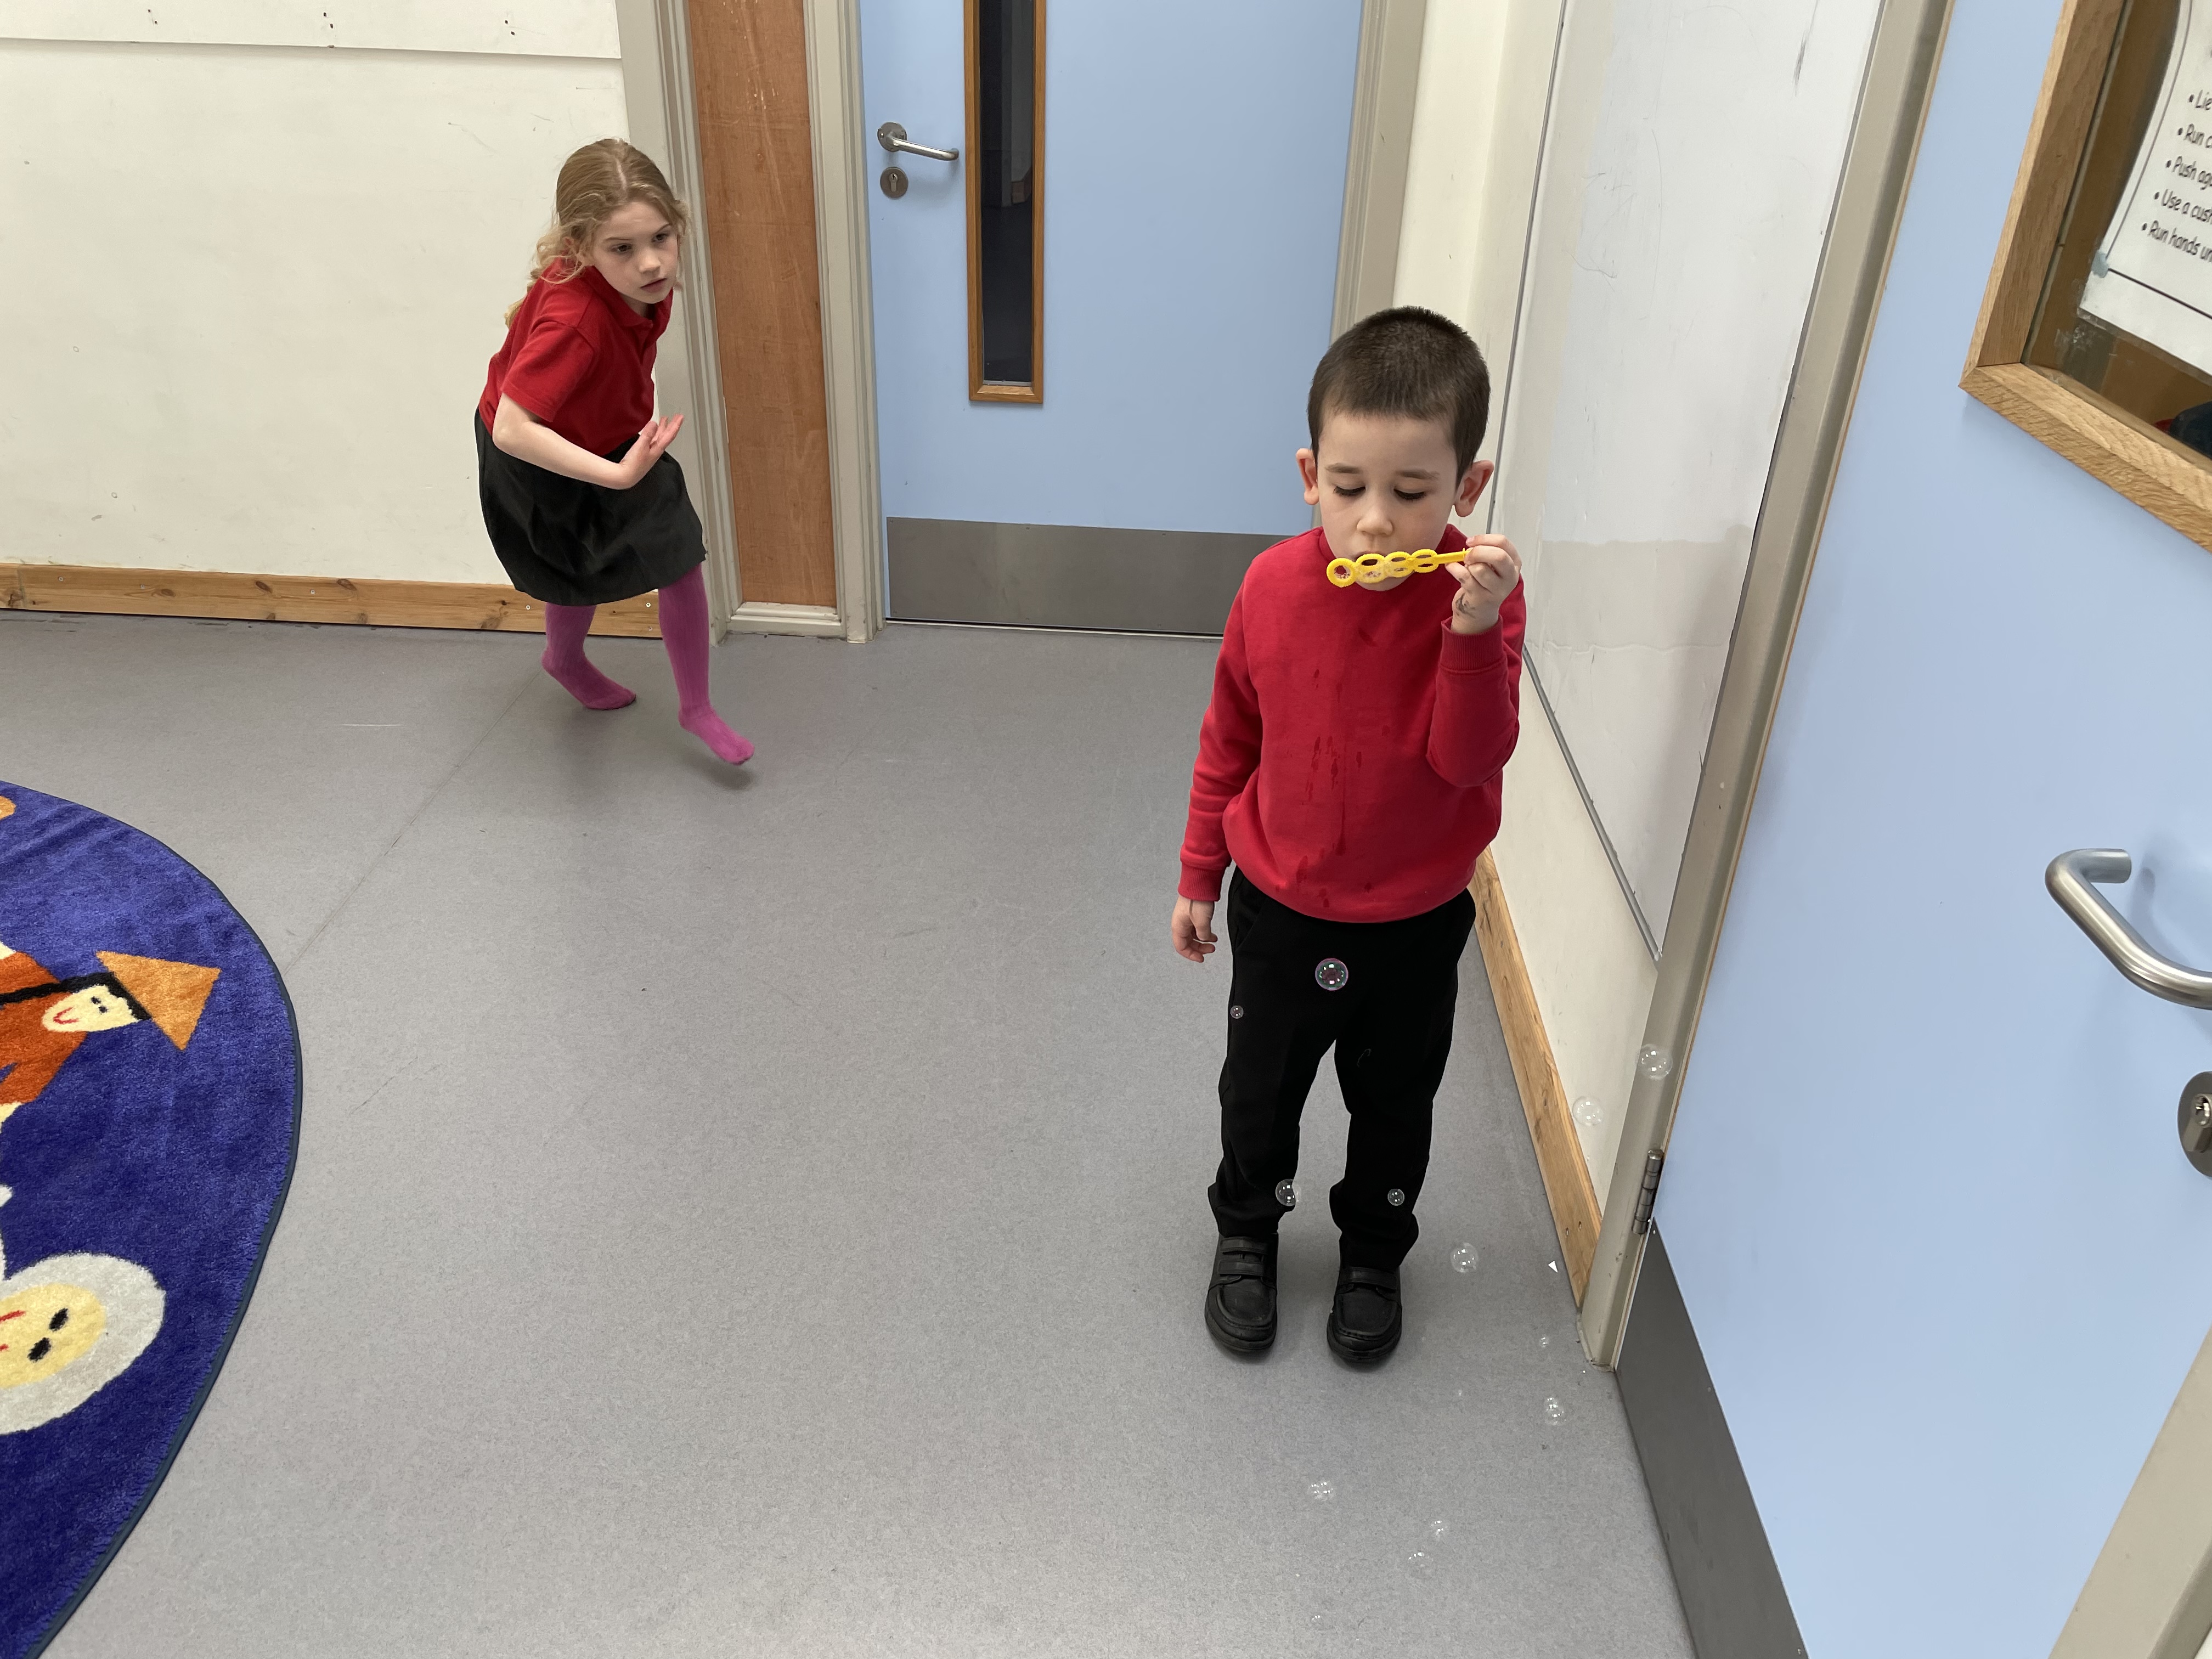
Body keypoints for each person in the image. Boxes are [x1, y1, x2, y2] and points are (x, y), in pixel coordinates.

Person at [1172, 307, 1525, 1365]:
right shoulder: (1271, 587)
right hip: (1279, 905)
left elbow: (1469, 758)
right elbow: (1228, 736)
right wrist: (1198, 871)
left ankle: (1373, 1252)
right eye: (1347, 486)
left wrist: (1470, 633)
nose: (1374, 523)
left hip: (1414, 920)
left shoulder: (1479, 598)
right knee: (1258, 1089)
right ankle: (1246, 1230)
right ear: (1308, 475)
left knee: (1395, 1103)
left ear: (1466, 486)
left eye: (1411, 493)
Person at [477, 138, 753, 765]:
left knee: (679, 554)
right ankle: (564, 658)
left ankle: (696, 708)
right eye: (622, 249)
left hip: (612, 435)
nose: (651, 263)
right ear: (581, 248)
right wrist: (617, 475)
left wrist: (622, 460)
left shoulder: (644, 285)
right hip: (538, 455)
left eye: (661, 238)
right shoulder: (575, 322)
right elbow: (514, 429)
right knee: (574, 568)